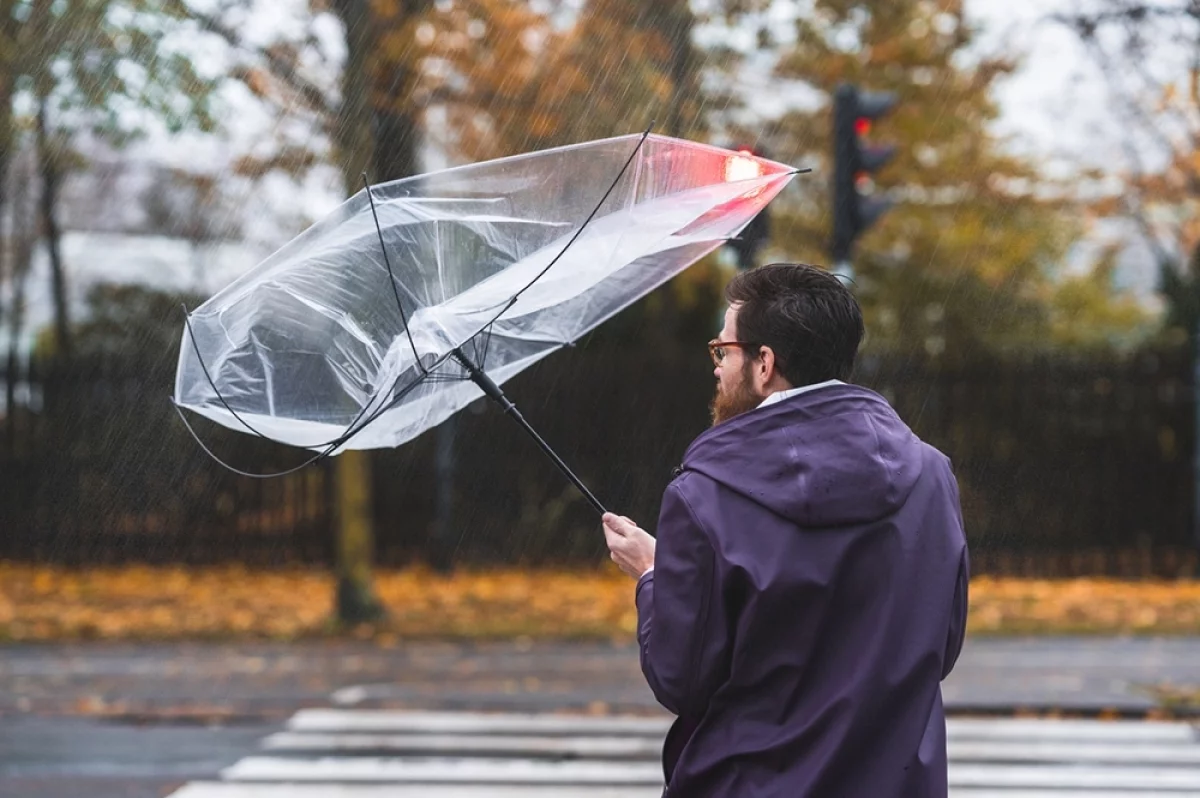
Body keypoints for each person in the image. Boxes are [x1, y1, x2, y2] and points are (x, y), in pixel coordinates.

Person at [603, 263, 969, 797]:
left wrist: (654, 576)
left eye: (723, 351)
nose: (717, 368)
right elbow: (941, 644)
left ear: (765, 363)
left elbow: (681, 678)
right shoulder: (932, 477)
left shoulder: (705, 496)